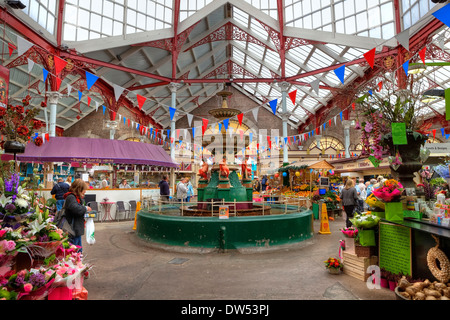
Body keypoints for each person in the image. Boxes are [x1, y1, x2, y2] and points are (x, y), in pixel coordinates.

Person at [63, 179, 92, 252]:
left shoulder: (76, 198)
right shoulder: (71, 197)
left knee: (78, 249)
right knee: (75, 250)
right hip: (73, 229)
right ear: (79, 189)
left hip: (76, 228)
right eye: (84, 189)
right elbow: (75, 209)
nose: (85, 191)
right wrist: (85, 208)